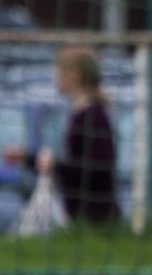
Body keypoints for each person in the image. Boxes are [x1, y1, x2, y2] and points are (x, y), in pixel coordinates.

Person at [3, 44, 120, 225]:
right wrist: (31, 159)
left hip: (96, 217)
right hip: (81, 215)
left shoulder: (93, 116)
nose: (55, 79)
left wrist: (49, 164)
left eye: (58, 73)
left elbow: (97, 168)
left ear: (74, 75)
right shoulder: (80, 113)